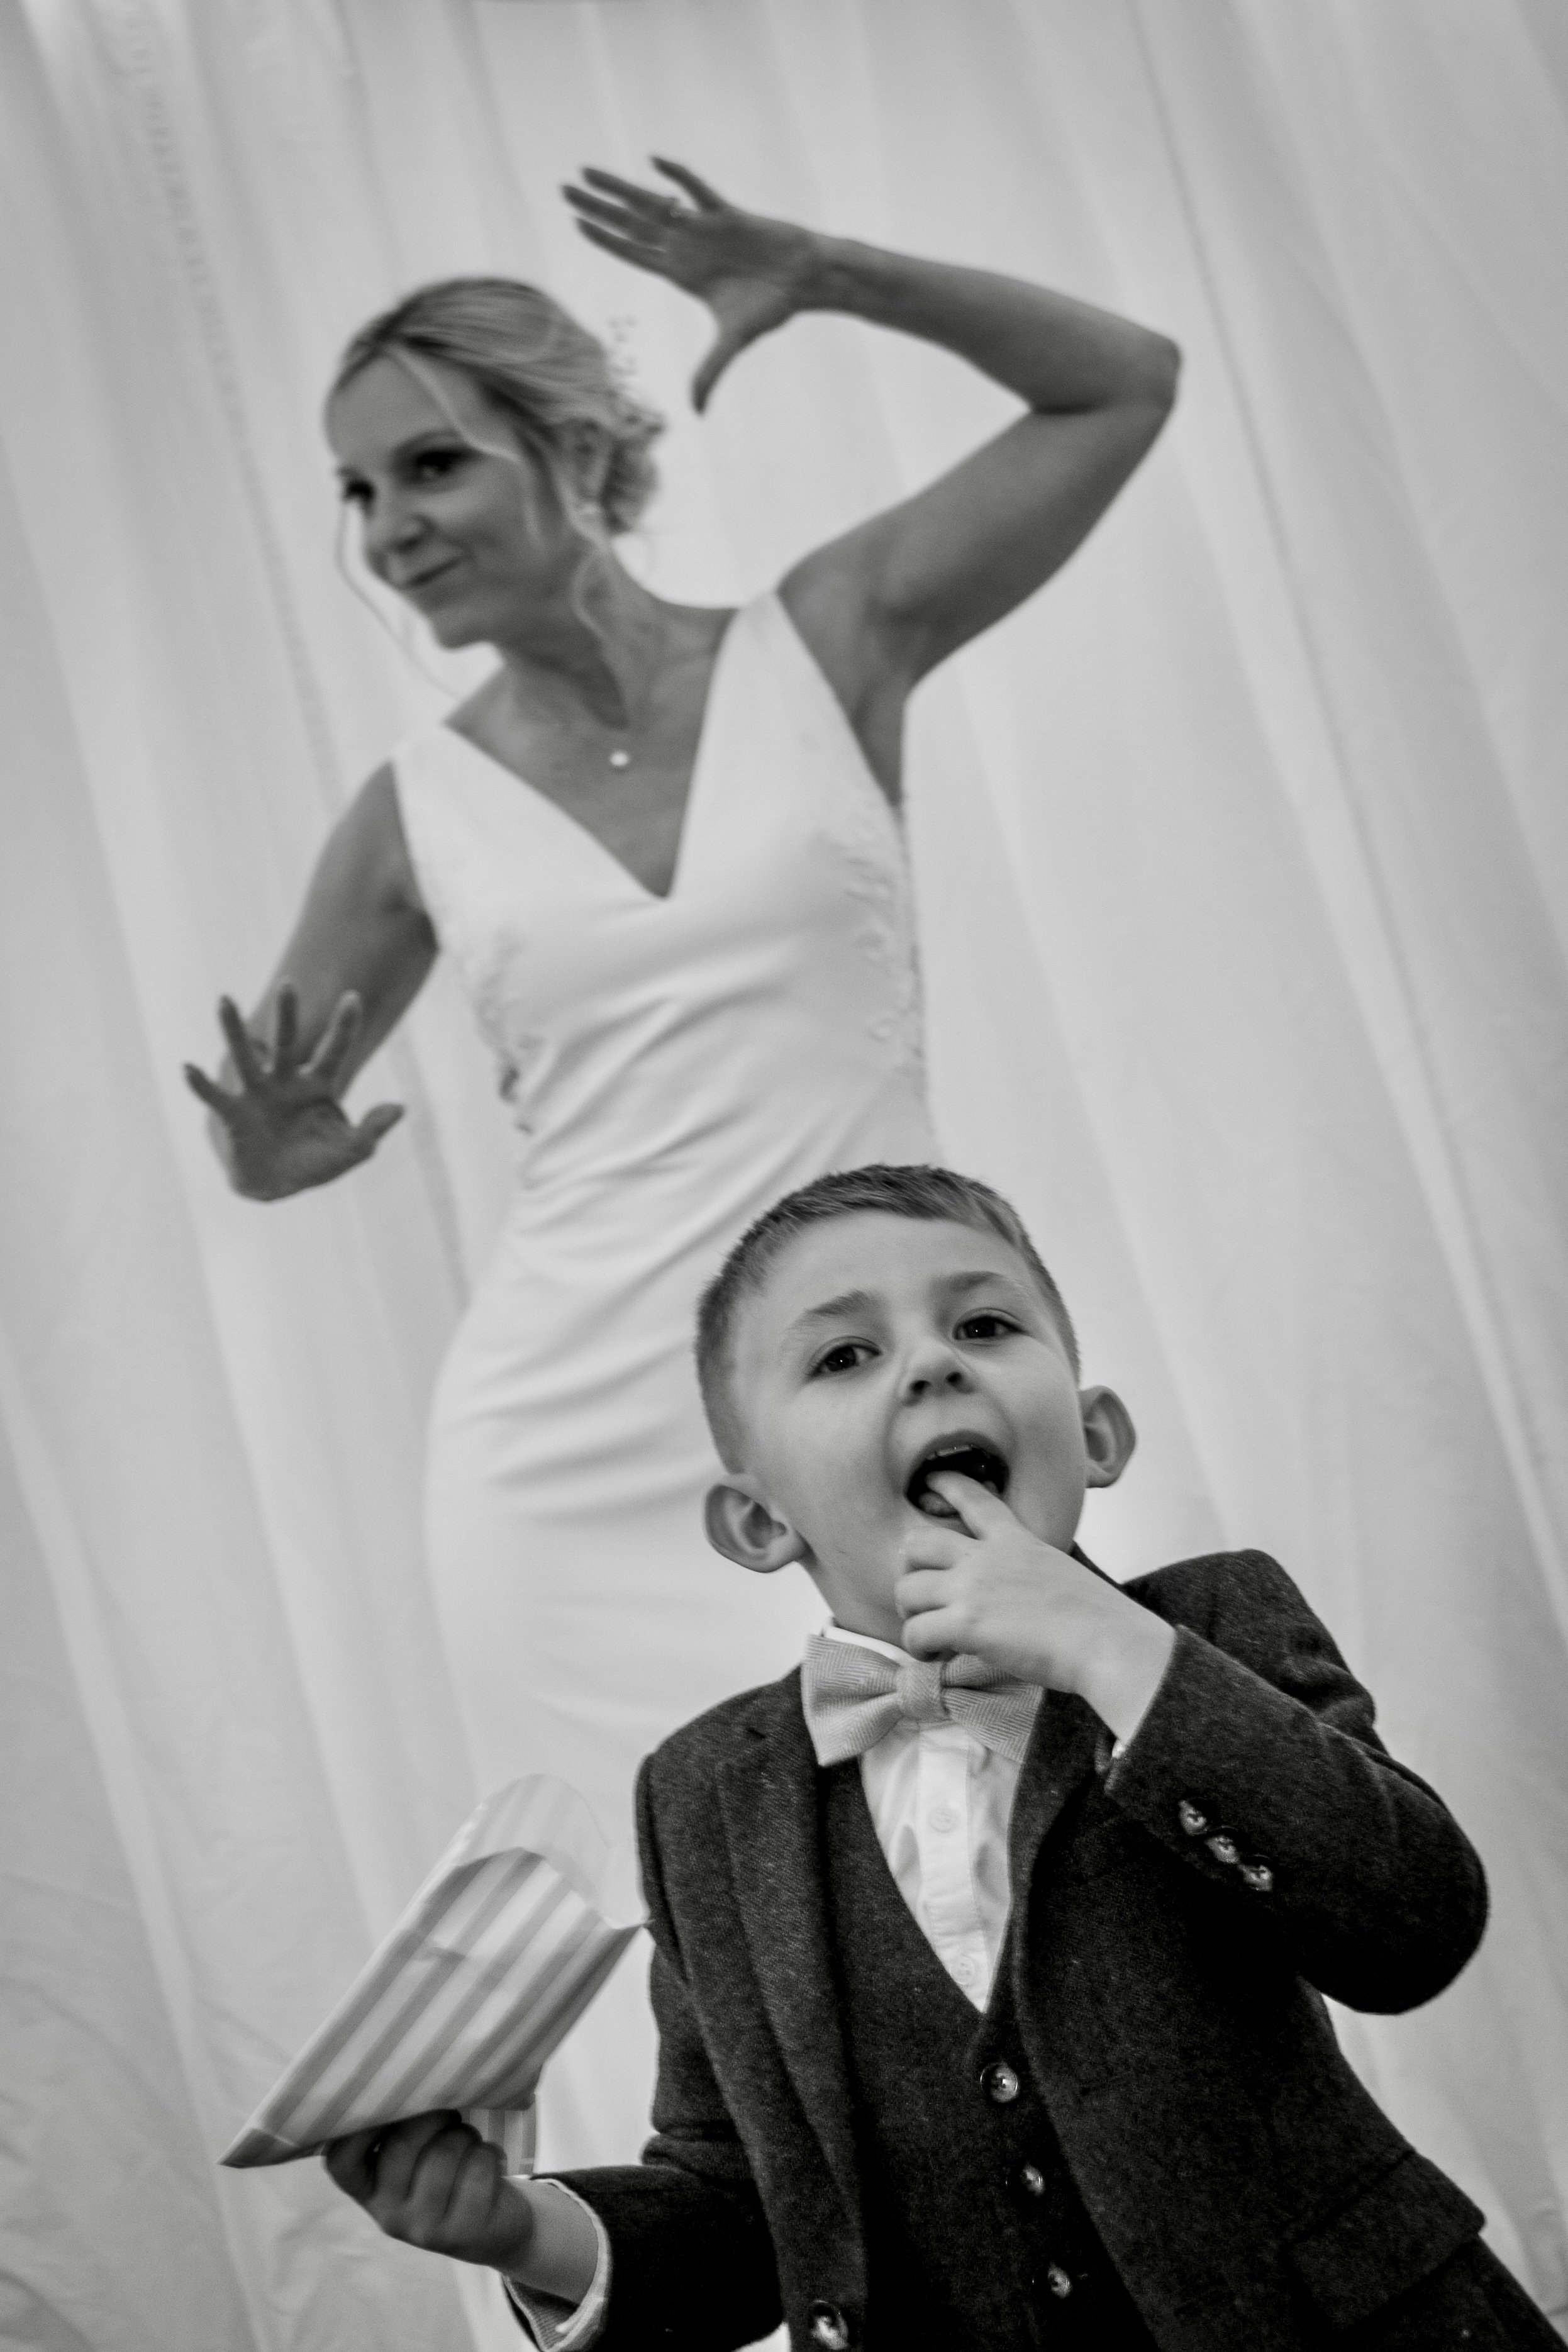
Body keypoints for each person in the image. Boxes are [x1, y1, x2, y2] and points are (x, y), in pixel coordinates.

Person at [185, 162, 1179, 2168]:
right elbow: (278, 1135)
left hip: (866, 1394)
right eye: (359, 494)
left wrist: (824, 270)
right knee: (686, 1959)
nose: (389, 531)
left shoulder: (827, 644)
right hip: (563, 1450)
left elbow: (1119, 386)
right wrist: (282, 1153)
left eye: (429, 466)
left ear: (572, 449)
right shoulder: (415, 814)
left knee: (999, 1891)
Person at [323, 1163, 1559, 2351]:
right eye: (844, 1354)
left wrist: (1116, 1654)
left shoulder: (1210, 1627)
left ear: (1095, 1436)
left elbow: (1411, 1918)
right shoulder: (702, 1799)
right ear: (759, 1521)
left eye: (980, 1321)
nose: (930, 1361)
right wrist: (526, 2229)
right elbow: (741, 2197)